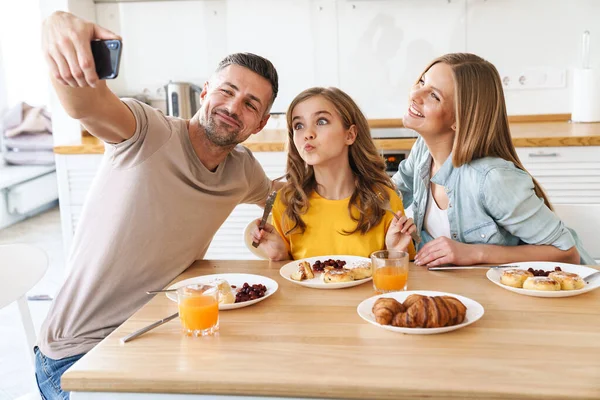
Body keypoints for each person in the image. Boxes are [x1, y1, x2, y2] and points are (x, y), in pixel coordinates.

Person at [36, 11, 281, 399]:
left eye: (250, 104)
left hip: (157, 332)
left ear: (261, 123)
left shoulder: (242, 171)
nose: (234, 107)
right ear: (204, 92)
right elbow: (86, 105)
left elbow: (281, 197)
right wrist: (58, 27)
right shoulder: (147, 132)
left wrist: (264, 229)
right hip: (76, 356)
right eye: (227, 91)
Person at [392, 53, 595, 267]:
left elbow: (566, 253)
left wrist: (476, 253)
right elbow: (389, 192)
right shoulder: (423, 151)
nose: (415, 94)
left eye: (434, 96)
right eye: (422, 81)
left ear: (459, 120)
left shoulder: (491, 178)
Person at [251, 87, 416, 260]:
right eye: (298, 125)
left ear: (350, 135)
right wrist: (280, 257)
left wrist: (395, 255)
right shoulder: (286, 202)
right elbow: (290, 278)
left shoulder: (385, 200)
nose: (307, 134)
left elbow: (405, 279)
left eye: (321, 121)